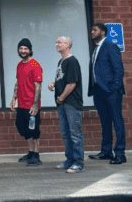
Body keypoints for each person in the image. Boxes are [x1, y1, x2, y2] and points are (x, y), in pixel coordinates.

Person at [87, 23, 127, 165]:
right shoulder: (96, 48)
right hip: (98, 91)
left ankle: (120, 153)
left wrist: (114, 87)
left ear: (103, 32)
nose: (92, 32)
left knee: (117, 121)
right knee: (105, 122)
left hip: (111, 91)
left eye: (95, 30)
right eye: (92, 30)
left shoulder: (110, 46)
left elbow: (118, 68)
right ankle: (106, 151)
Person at [47, 36, 84, 173]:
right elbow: (63, 79)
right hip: (62, 104)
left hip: (71, 103)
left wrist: (61, 97)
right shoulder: (61, 61)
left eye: (60, 42)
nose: (57, 44)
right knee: (66, 133)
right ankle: (69, 160)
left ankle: (78, 163)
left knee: (75, 134)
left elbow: (72, 83)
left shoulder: (72, 61)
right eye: (56, 42)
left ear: (67, 44)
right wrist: (53, 84)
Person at [9, 38, 44, 166]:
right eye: (21, 48)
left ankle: (36, 155)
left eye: (26, 49)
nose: (23, 51)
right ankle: (30, 152)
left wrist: (35, 105)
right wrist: (13, 99)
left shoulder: (35, 65)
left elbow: (38, 86)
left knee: (34, 130)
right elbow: (18, 83)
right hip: (21, 104)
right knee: (22, 127)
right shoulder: (20, 65)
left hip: (31, 106)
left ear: (30, 50)